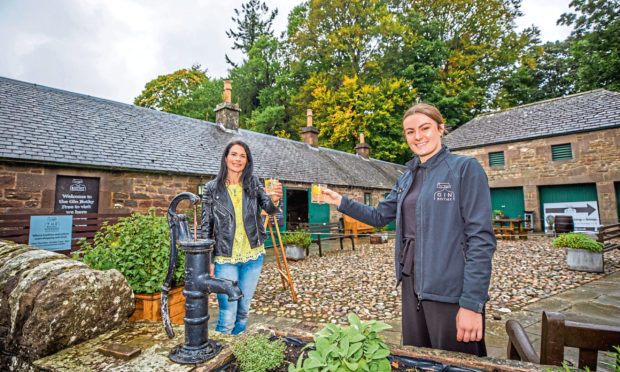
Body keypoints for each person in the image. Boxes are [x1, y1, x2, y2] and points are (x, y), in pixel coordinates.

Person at [322, 103, 496, 356]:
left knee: (457, 361)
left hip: (449, 288)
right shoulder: (406, 177)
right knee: (418, 359)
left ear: (440, 128)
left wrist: (472, 303)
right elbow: (380, 215)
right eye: (410, 132)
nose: (418, 136)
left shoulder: (464, 169)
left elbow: (481, 240)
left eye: (425, 128)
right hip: (411, 283)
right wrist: (340, 201)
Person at [201, 140, 282, 335]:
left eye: (243, 156)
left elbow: (269, 209)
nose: (238, 159)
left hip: (253, 256)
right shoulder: (212, 188)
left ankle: (237, 355)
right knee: (228, 314)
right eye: (234, 154)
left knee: (243, 312)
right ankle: (220, 360)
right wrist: (208, 260)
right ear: (226, 157)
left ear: (247, 161)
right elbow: (206, 227)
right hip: (225, 259)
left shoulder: (253, 183)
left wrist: (276, 199)